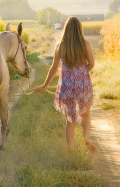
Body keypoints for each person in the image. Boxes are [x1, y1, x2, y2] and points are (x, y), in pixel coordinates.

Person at [32, 16, 96, 152]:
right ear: (79, 29)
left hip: (67, 86)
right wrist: (82, 73)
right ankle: (86, 138)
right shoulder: (85, 44)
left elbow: (54, 68)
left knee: (70, 119)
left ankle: (71, 150)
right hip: (83, 84)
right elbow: (92, 63)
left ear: (66, 29)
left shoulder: (61, 46)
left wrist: (44, 85)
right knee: (85, 114)